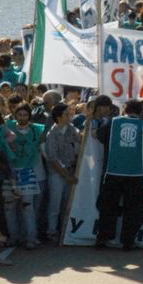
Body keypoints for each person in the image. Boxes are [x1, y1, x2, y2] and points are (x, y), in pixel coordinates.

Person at [95, 100, 143, 251]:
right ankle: (128, 241)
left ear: (124, 110)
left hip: (113, 171)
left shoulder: (113, 123)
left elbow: (99, 136)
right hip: (136, 173)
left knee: (107, 206)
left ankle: (103, 237)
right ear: (139, 111)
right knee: (134, 209)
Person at [44, 102, 81, 242]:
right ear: (59, 117)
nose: (70, 116)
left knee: (66, 204)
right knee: (55, 204)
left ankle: (64, 231)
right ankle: (51, 231)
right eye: (66, 114)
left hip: (69, 172)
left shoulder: (70, 128)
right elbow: (53, 159)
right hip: (57, 174)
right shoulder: (52, 134)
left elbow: (80, 138)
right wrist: (66, 175)